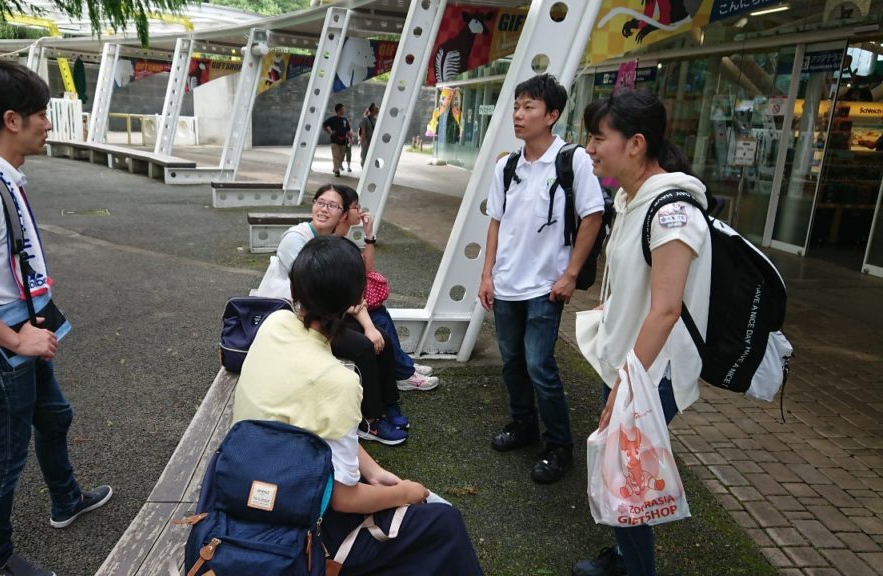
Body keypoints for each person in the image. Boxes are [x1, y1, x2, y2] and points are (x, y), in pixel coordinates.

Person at [0, 60, 112, 576]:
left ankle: (66, 499)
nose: (48, 124)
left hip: (22, 332)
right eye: (42, 113)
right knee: (3, 461)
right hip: (2, 347)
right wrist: (16, 340)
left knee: (54, 417)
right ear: (12, 120)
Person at [234, 236, 485, 576]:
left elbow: (320, 425)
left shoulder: (275, 324)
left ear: (296, 289)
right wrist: (406, 492)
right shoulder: (338, 381)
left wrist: (374, 471)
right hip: (296, 517)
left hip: (247, 479)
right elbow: (343, 499)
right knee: (444, 520)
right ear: (355, 301)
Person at [571, 91, 712, 576]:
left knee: (624, 478)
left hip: (655, 370)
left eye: (597, 137)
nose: (589, 147)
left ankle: (635, 569)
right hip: (631, 362)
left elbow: (667, 309)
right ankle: (623, 556)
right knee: (619, 470)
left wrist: (628, 387)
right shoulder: (630, 198)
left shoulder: (674, 211)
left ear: (635, 143)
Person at [477, 74, 606, 484]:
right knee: (512, 361)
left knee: (539, 365)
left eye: (529, 107)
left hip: (545, 286)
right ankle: (523, 423)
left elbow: (593, 216)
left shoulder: (573, 160)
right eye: (517, 106)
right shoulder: (507, 165)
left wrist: (569, 275)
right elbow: (495, 221)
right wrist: (487, 274)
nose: (518, 114)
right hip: (507, 282)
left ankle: (558, 445)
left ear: (552, 115)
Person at [255, 184, 409, 445]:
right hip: (295, 319)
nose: (324, 209)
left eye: (333, 206)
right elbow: (317, 294)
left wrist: (369, 326)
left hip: (322, 313)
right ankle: (369, 421)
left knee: (379, 333)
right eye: (320, 202)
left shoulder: (334, 242)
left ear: (342, 215)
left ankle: (388, 403)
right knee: (362, 346)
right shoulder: (297, 240)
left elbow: (356, 285)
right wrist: (364, 324)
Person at [332, 185, 439, 391]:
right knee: (378, 318)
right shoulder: (333, 242)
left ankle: (403, 365)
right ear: (345, 213)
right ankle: (404, 373)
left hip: (346, 305)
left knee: (380, 311)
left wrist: (369, 235)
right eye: (356, 206)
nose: (361, 209)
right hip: (336, 311)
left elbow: (367, 269)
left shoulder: (341, 239)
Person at [323, 103, 353, 177]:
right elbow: (324, 125)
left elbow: (348, 130)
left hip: (343, 141)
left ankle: (336, 167)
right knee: (336, 155)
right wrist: (330, 132)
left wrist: (351, 138)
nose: (344, 110)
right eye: (343, 109)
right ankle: (337, 171)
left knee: (341, 157)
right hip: (335, 141)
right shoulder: (332, 119)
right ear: (339, 110)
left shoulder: (345, 120)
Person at [358, 103, 378, 168]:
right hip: (366, 142)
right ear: (372, 110)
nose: (378, 110)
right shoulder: (365, 119)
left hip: (374, 142)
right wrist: (364, 141)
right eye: (376, 109)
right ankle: (364, 170)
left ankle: (374, 170)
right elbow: (363, 131)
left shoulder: (376, 120)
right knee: (365, 157)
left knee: (374, 156)